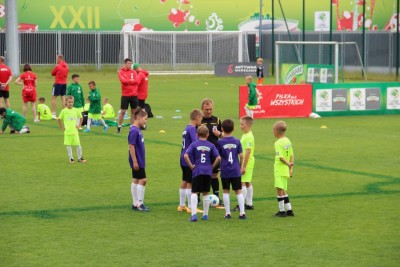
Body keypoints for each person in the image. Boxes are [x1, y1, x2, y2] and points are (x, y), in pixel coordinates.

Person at [184, 125, 221, 222]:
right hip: (207, 171)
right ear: (208, 135)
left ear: (196, 134)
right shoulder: (211, 145)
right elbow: (218, 158)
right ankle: (205, 215)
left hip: (197, 171)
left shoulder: (194, 144)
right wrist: (212, 166)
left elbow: (186, 156)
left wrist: (191, 166)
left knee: (194, 192)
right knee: (206, 192)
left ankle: (194, 215)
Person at [217, 119, 246, 219]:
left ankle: (228, 213)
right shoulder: (237, 141)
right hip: (235, 170)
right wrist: (240, 166)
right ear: (233, 128)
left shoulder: (220, 142)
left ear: (222, 129)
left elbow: (218, 157)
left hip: (225, 170)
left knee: (225, 190)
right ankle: (242, 213)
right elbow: (241, 156)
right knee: (238, 191)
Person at [177, 109, 204, 214]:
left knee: (184, 180)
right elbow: (195, 142)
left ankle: (182, 205)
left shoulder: (186, 128)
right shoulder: (192, 129)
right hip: (189, 159)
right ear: (196, 118)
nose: (201, 121)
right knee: (190, 182)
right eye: (200, 119)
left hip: (182, 157)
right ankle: (190, 206)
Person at [200, 98, 223, 206]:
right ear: (202, 109)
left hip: (214, 152)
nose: (209, 111)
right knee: (201, 175)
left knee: (214, 174)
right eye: (206, 109)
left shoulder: (217, 120)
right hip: (202, 152)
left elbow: (223, 135)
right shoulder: (199, 120)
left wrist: (219, 134)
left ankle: (216, 196)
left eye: (210, 109)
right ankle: (199, 197)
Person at [129, 108, 150, 212]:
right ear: (138, 118)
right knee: (143, 180)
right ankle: (140, 204)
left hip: (139, 159)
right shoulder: (134, 130)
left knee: (136, 180)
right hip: (137, 160)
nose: (146, 121)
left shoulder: (137, 130)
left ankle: (135, 203)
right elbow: (131, 146)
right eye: (145, 119)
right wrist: (135, 161)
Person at [273, 120, 294, 217]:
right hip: (285, 169)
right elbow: (292, 155)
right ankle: (289, 210)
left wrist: (288, 164)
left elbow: (280, 157)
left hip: (280, 168)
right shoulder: (287, 140)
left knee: (279, 189)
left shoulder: (278, 143)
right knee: (283, 189)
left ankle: (282, 211)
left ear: (276, 131)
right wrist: (290, 166)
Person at [57, 95, 86, 163]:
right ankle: (71, 158)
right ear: (66, 102)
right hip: (67, 132)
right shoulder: (64, 111)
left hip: (75, 131)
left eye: (72, 102)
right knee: (68, 145)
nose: (70, 103)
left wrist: (79, 125)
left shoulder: (76, 110)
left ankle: (80, 158)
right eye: (69, 102)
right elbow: (59, 119)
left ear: (73, 102)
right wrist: (62, 127)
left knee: (78, 145)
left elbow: (81, 117)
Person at [235, 116, 256, 211]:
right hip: (247, 162)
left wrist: (243, 166)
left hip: (247, 162)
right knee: (247, 182)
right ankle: (249, 204)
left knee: (242, 182)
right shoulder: (245, 135)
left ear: (248, 125)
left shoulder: (249, 137)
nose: (240, 126)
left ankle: (242, 204)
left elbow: (248, 152)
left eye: (242, 124)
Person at [117, 58, 141, 133]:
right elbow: (123, 81)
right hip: (125, 94)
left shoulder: (133, 72)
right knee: (123, 111)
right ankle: (119, 127)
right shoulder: (121, 72)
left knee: (133, 111)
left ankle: (132, 127)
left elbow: (137, 81)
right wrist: (131, 81)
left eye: (131, 63)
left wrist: (129, 82)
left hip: (134, 94)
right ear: (125, 64)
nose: (130, 65)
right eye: (128, 63)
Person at [51, 54, 69, 119]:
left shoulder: (58, 66)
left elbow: (52, 73)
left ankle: (53, 113)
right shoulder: (67, 66)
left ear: (59, 59)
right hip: (64, 83)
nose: (56, 60)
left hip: (58, 83)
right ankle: (65, 112)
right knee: (63, 98)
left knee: (54, 97)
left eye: (57, 59)